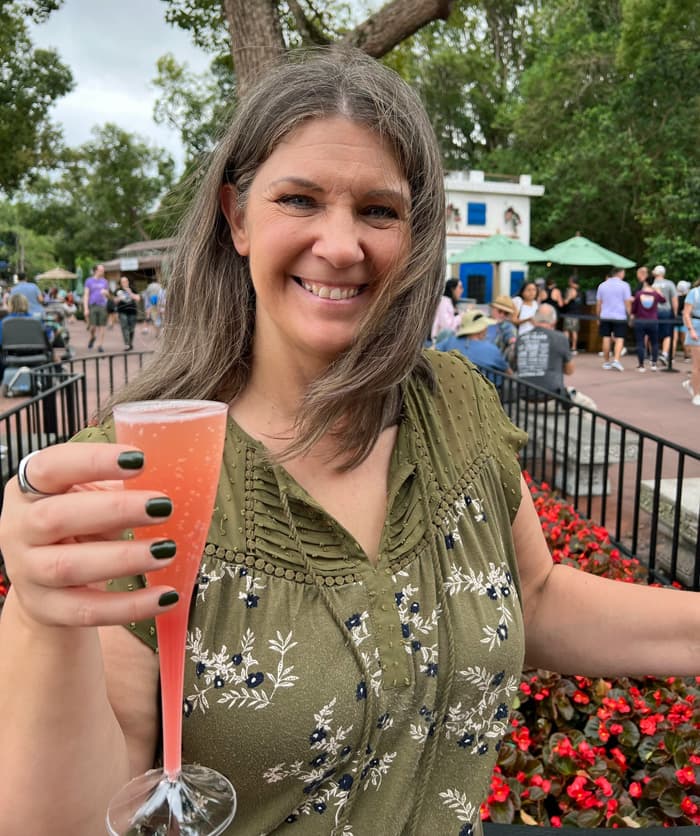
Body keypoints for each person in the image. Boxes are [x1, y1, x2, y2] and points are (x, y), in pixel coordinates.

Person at [3, 48, 700, 836]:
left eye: (378, 210)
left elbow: (534, 597)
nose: (342, 246)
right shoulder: (142, 470)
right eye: (300, 199)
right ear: (236, 217)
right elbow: (72, 813)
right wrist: (37, 616)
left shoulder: (457, 406)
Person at [436, 308, 511, 385]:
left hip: (450, 389)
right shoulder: (491, 349)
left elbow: (432, 352)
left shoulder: (449, 341)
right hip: (481, 393)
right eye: (485, 326)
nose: (486, 329)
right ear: (480, 329)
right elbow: (508, 372)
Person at [515, 303, 574, 400]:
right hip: (551, 397)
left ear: (534, 320)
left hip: (523, 396)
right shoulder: (560, 338)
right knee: (588, 406)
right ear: (554, 321)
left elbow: (516, 366)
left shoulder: (521, 338)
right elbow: (569, 371)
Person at [596, 267, 631, 371]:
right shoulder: (624, 285)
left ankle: (606, 362)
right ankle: (616, 360)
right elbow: (627, 303)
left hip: (605, 315)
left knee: (606, 337)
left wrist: (598, 316)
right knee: (619, 338)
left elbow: (599, 303)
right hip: (619, 316)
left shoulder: (602, 285)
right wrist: (629, 315)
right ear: (620, 273)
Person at [629, 271, 664, 372]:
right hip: (653, 321)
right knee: (654, 343)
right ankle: (653, 364)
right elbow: (663, 300)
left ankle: (641, 365)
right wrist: (658, 291)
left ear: (645, 282)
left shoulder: (639, 294)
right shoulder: (655, 294)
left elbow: (634, 309)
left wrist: (631, 318)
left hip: (640, 321)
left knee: (640, 343)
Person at [651, 265, 678, 366]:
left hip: (652, 311)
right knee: (667, 334)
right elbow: (674, 299)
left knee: (653, 333)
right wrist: (675, 312)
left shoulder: (651, 284)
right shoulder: (669, 283)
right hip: (666, 311)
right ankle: (664, 353)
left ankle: (653, 355)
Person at [681, 278, 700, 406]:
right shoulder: (694, 292)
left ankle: (691, 383)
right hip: (697, 327)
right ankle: (697, 394)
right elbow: (686, 313)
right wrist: (691, 329)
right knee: (697, 365)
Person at [82, 263, 109, 352]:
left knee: (102, 325)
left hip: (102, 305)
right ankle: (92, 337)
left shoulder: (105, 281)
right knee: (92, 327)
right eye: (101, 270)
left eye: (103, 270)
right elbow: (86, 295)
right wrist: (86, 308)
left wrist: (106, 293)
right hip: (92, 305)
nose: (103, 271)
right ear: (96, 271)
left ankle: (100, 345)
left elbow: (108, 295)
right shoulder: (89, 281)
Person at [486, 294, 517, 367]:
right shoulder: (483, 321)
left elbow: (512, 339)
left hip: (494, 367)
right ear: (493, 308)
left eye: (506, 313)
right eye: (500, 311)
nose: (502, 315)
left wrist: (513, 343)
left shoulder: (507, 326)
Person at [430, 278, 462, 342]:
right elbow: (446, 328)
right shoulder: (443, 303)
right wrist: (461, 316)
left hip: (447, 339)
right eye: (460, 287)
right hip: (441, 341)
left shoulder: (449, 302)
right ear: (453, 289)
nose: (462, 290)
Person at [115, 275, 140, 351]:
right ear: (120, 283)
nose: (124, 283)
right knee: (124, 327)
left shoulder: (133, 289)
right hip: (122, 311)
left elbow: (138, 298)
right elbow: (114, 301)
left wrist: (130, 293)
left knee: (131, 329)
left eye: (126, 281)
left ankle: (130, 343)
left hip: (132, 311)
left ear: (128, 282)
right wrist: (119, 298)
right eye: (123, 282)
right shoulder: (117, 291)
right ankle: (127, 344)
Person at [561, 275, 583, 354]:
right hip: (576, 312)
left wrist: (564, 299)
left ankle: (567, 347)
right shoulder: (579, 290)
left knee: (567, 330)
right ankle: (574, 347)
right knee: (574, 330)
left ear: (572, 281)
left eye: (569, 280)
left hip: (570, 312)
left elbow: (566, 301)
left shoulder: (571, 290)